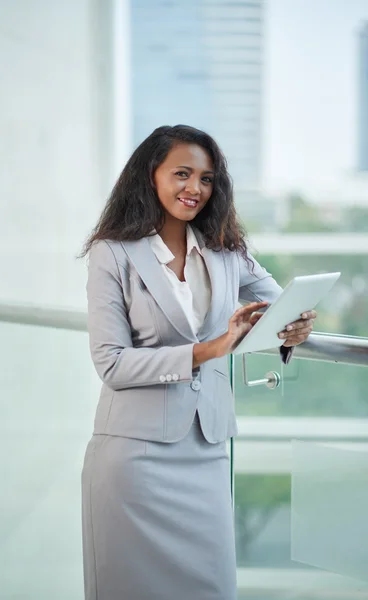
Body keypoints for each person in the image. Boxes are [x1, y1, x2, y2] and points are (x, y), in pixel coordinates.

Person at [80, 125, 316, 600]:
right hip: (134, 458)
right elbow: (112, 364)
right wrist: (208, 350)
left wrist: (296, 325)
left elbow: (278, 304)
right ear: (150, 176)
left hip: (207, 451)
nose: (195, 188)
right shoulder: (113, 255)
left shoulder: (225, 251)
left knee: (211, 587)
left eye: (206, 179)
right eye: (182, 174)